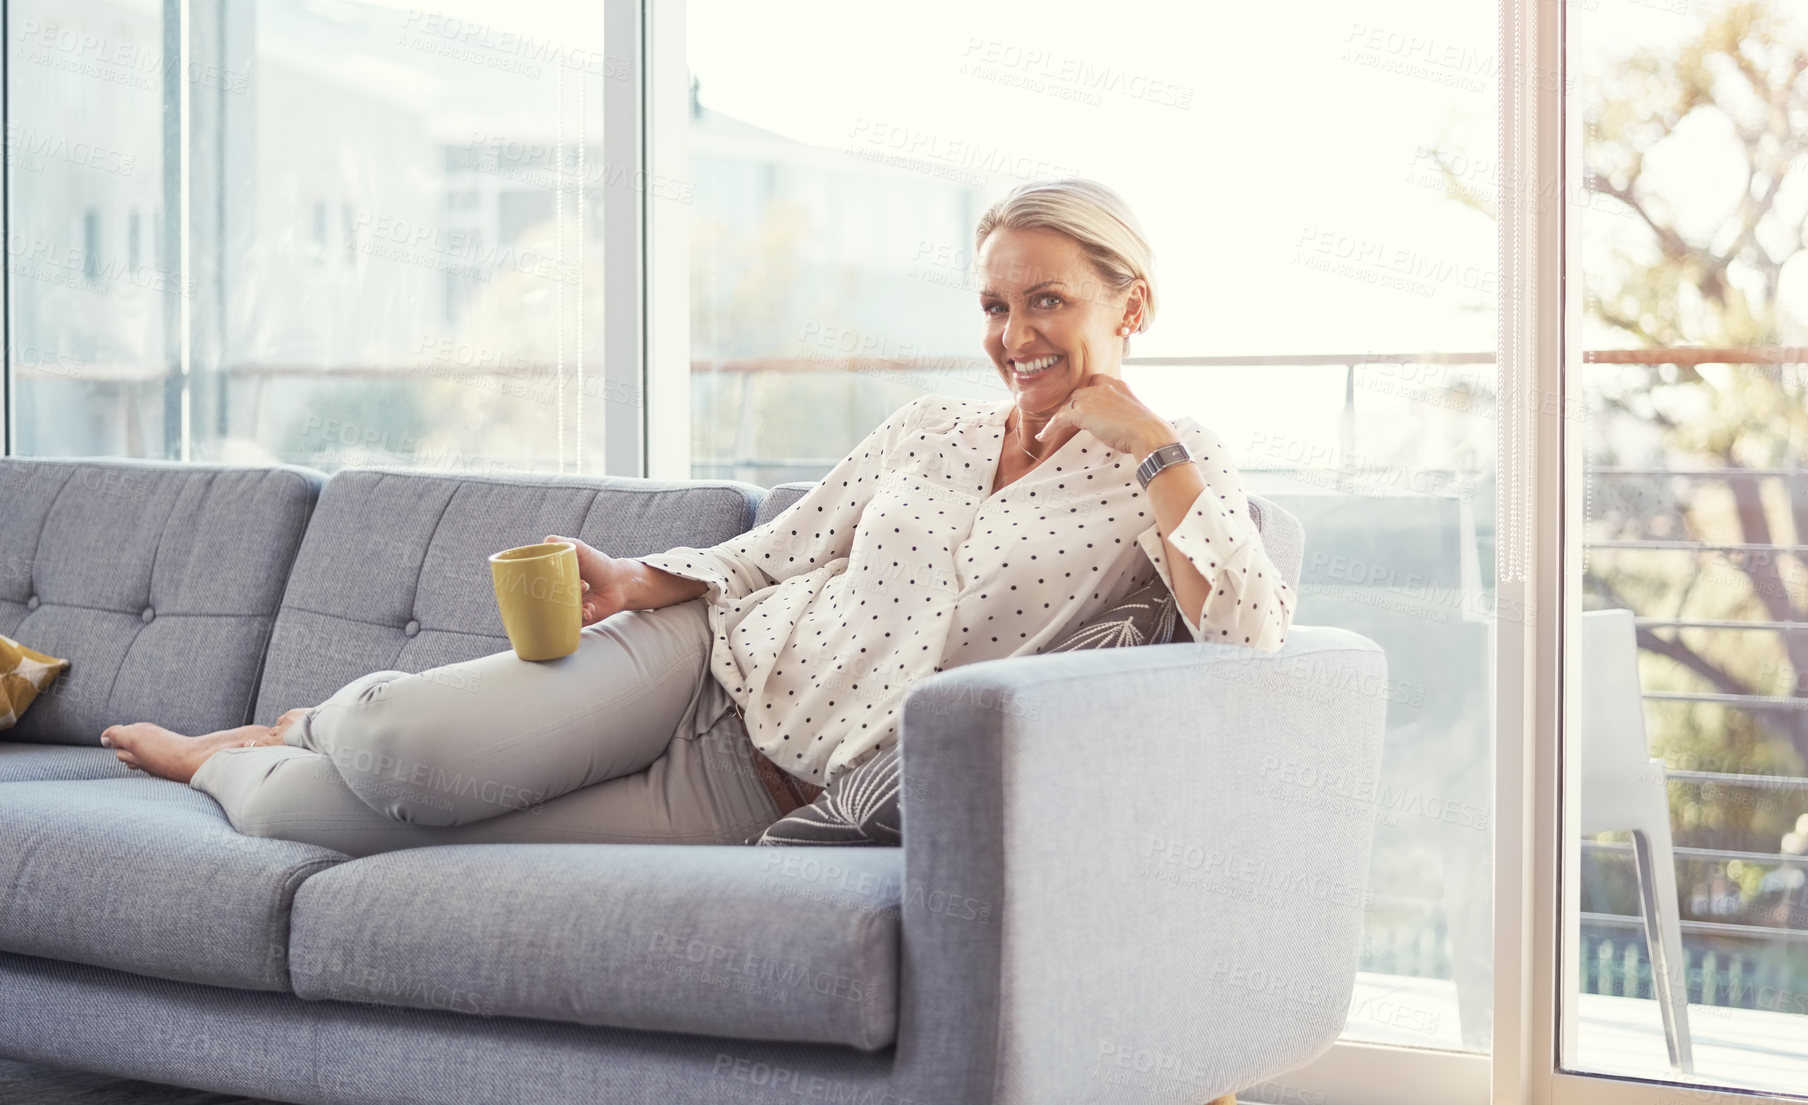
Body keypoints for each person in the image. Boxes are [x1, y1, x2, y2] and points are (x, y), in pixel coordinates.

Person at [102, 178, 1294, 857]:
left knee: (320, 818)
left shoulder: (1176, 477)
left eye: (1048, 300)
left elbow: (1243, 644)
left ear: (1129, 304)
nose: (1013, 335)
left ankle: (227, 760)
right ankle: (308, 718)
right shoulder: (931, 427)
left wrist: (1155, 448)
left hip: (755, 789)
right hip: (701, 663)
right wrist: (639, 582)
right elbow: (789, 545)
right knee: (394, 752)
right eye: (993, 303)